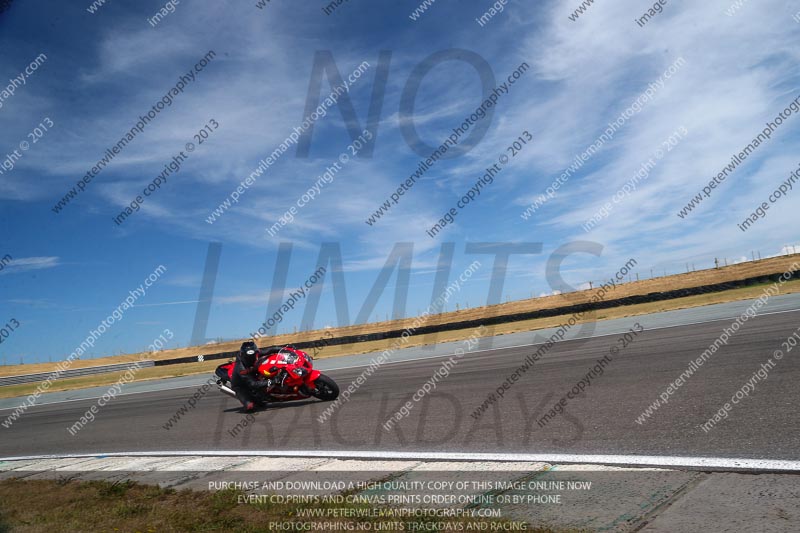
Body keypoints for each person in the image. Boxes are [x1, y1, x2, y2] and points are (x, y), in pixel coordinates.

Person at [231, 340, 273, 412]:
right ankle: (250, 401)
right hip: (241, 386)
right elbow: (253, 384)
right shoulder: (241, 368)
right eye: (248, 358)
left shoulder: (257, 352)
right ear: (242, 355)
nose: (251, 359)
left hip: (253, 375)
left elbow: (270, 350)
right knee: (250, 407)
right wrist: (271, 382)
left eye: (253, 356)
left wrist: (285, 348)